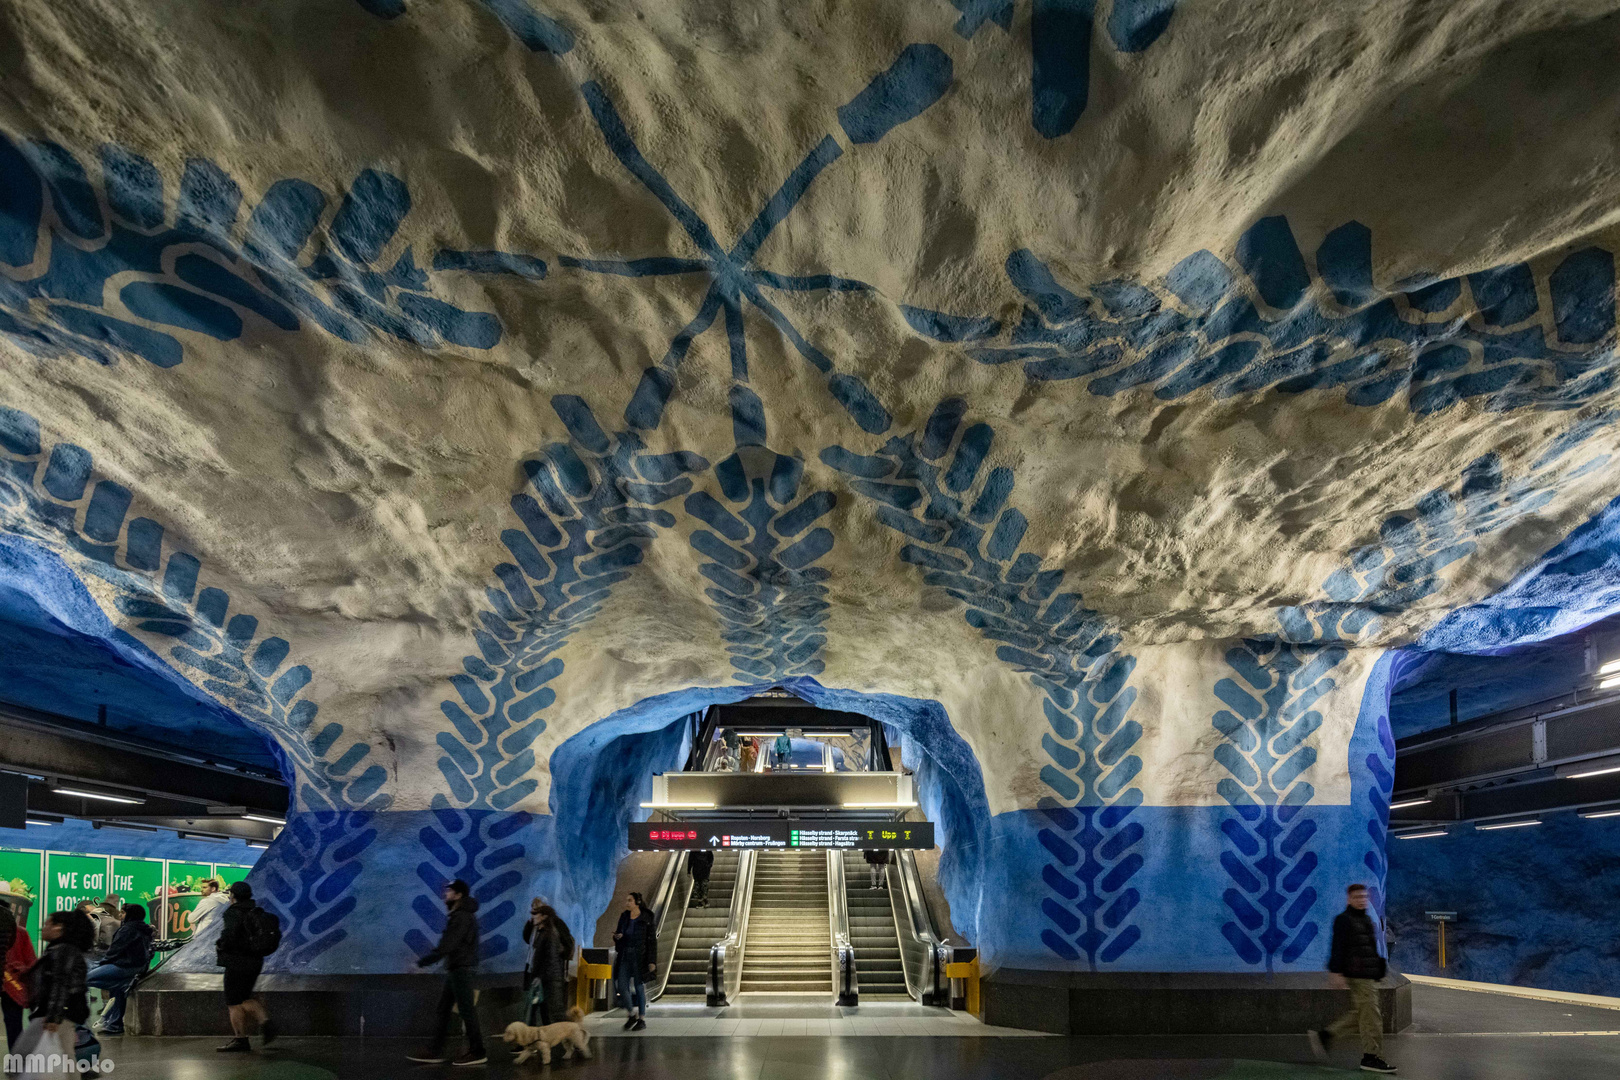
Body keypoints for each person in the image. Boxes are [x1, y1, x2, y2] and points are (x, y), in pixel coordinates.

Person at [1311, 883, 1396, 1074]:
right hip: (1357, 976)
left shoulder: (1365, 919)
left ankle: (1326, 1035)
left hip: (1367, 975)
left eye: (1364, 897)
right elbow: (1338, 947)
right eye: (1357, 897)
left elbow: (1369, 948)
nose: (1361, 900)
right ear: (1349, 899)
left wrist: (1378, 968)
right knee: (1372, 1017)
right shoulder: (1344, 920)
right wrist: (1336, 972)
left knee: (1362, 1014)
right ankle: (1371, 1057)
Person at [407, 879, 485, 1066]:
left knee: (466, 1010)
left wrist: (422, 963)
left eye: (449, 891)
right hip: (457, 969)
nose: (445, 895)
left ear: (458, 895)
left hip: (461, 969)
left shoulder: (461, 917)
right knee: (444, 1009)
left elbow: (448, 945)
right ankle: (435, 1050)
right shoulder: (460, 915)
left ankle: (478, 1051)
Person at [11, 909, 93, 1076]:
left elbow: (60, 983)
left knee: (22, 1058)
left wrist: (54, 1016)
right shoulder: (59, 949)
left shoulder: (63, 951)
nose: (42, 928)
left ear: (58, 928)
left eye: (47, 924)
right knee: (64, 1059)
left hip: (58, 1014)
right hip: (60, 1012)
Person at [215, 882, 277, 1054]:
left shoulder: (234, 912)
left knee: (233, 1002)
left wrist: (221, 945)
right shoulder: (256, 911)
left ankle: (241, 1039)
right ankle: (265, 1022)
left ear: (233, 896)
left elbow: (230, 935)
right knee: (243, 997)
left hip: (237, 961)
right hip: (255, 961)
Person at [87, 904, 154, 1035]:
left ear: (130, 914)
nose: (120, 915)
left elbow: (115, 950)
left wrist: (103, 963)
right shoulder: (145, 929)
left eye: (123, 913)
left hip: (123, 967)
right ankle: (114, 1025)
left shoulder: (127, 929)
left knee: (84, 978)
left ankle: (121, 984)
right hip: (139, 967)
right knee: (117, 991)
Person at [521, 902, 573, 1025]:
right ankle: (534, 1039)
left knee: (554, 1012)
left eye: (536, 913)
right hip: (543, 977)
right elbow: (528, 940)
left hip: (549, 979)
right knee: (535, 1010)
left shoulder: (550, 933)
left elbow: (550, 958)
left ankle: (571, 1035)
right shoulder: (541, 931)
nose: (533, 916)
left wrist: (540, 977)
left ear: (544, 916)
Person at [610, 892, 656, 1031]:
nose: (627, 903)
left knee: (639, 987)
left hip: (639, 957)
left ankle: (641, 1018)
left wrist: (652, 960)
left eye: (630, 900)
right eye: (627, 900)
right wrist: (618, 937)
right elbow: (619, 934)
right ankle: (631, 1014)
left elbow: (652, 941)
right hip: (625, 955)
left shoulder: (646, 918)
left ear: (637, 902)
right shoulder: (624, 917)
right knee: (621, 986)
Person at [2, 908, 35, 1050]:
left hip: (12, 984)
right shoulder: (20, 932)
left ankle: (17, 1060)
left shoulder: (20, 933)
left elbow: (30, 961)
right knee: (13, 1023)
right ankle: (17, 1062)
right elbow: (31, 961)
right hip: (13, 985)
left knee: (13, 1023)